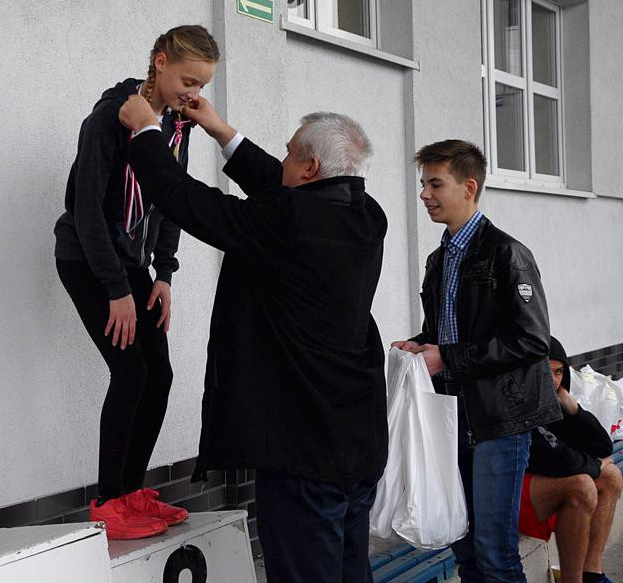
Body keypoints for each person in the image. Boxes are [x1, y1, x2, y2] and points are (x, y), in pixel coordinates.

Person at [118, 96, 388, 582]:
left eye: (288, 154)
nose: (280, 162)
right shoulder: (366, 214)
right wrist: (223, 133)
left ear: (308, 167)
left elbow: (189, 202)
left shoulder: (289, 225)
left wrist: (145, 133)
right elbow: (283, 187)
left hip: (303, 452)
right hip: (356, 444)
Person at [53, 25, 219, 540]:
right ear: (160, 62)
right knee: (129, 372)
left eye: (202, 86)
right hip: (88, 258)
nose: (193, 94)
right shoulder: (110, 117)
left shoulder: (174, 125)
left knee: (160, 375)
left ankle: (129, 491)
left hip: (133, 263)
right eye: (187, 80)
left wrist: (163, 273)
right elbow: (85, 212)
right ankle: (107, 502)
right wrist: (115, 289)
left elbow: (172, 198)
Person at [392, 139, 561, 583]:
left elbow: (531, 341)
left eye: (435, 184)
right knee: (463, 545)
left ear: (468, 187)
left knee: (494, 553)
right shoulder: (438, 259)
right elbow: (446, 333)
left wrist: (445, 357)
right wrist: (417, 347)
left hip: (500, 420)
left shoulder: (507, 254)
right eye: (423, 184)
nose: (425, 195)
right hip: (451, 417)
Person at [519, 337, 620, 583]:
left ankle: (592, 573)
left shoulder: (555, 400)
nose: (553, 380)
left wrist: (574, 408)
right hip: (508, 490)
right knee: (582, 485)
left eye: (559, 372)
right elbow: (556, 458)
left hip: (541, 481)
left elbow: (603, 445)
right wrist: (596, 464)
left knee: (612, 476)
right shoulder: (521, 401)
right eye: (546, 372)